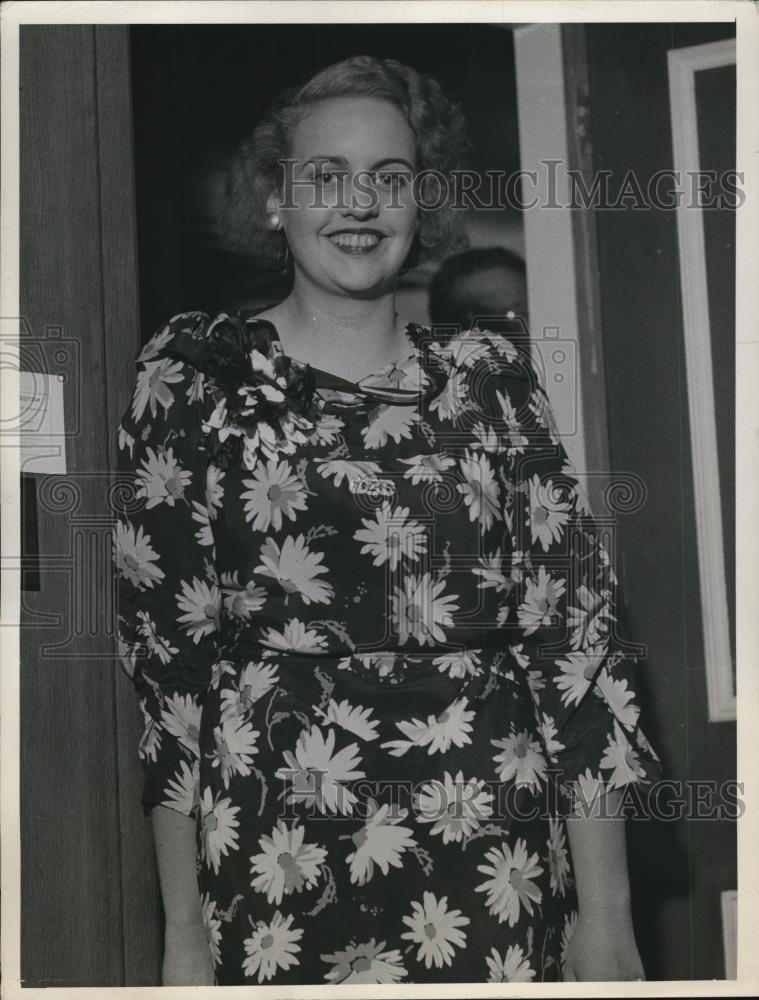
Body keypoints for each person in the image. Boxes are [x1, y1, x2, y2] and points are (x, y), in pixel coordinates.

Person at [112, 54, 661, 986]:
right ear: (274, 199)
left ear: (421, 203)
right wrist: (183, 939)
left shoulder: (489, 375)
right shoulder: (194, 376)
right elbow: (170, 676)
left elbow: (576, 651)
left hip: (493, 851)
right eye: (325, 176)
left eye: (389, 179)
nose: (358, 203)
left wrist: (605, 921)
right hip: (274, 851)